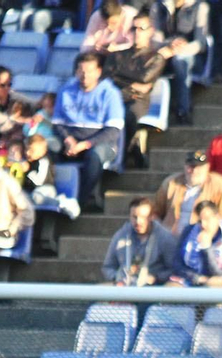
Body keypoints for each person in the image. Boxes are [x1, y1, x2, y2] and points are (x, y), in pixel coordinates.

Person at [53, 52, 125, 214]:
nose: (85, 75)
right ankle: (52, 193)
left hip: (100, 142)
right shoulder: (65, 91)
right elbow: (57, 124)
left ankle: (83, 201)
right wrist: (68, 139)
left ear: (98, 72)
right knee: (48, 147)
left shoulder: (110, 93)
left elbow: (113, 131)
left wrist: (85, 145)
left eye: (89, 71)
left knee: (94, 156)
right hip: (70, 140)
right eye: (81, 70)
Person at [107, 11, 169, 161]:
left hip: (137, 100)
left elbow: (144, 78)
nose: (136, 33)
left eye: (141, 28)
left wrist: (119, 76)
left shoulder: (156, 58)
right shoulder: (117, 55)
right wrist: (133, 84)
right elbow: (107, 77)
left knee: (129, 115)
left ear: (151, 31)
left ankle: (126, 152)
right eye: (133, 29)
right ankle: (132, 148)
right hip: (117, 97)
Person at [153, 149, 222, 235]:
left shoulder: (218, 184)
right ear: (185, 166)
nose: (194, 171)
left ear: (207, 167)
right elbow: (156, 212)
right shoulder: (171, 183)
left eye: (199, 167)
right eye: (191, 167)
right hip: (171, 236)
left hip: (202, 237)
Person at [101, 196, 176, 285]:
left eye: (143, 217)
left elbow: (174, 269)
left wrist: (155, 278)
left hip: (155, 288)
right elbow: (108, 267)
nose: (138, 222)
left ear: (152, 217)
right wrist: (117, 277)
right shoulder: (121, 235)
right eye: (134, 217)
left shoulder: (165, 238)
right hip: (124, 286)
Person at [170, 199, 222, 286]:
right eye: (200, 221)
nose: (203, 225)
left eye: (207, 219)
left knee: (214, 286)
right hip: (190, 279)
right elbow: (177, 264)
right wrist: (196, 278)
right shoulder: (188, 231)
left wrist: (207, 249)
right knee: (172, 288)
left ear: (217, 217)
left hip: (216, 282)